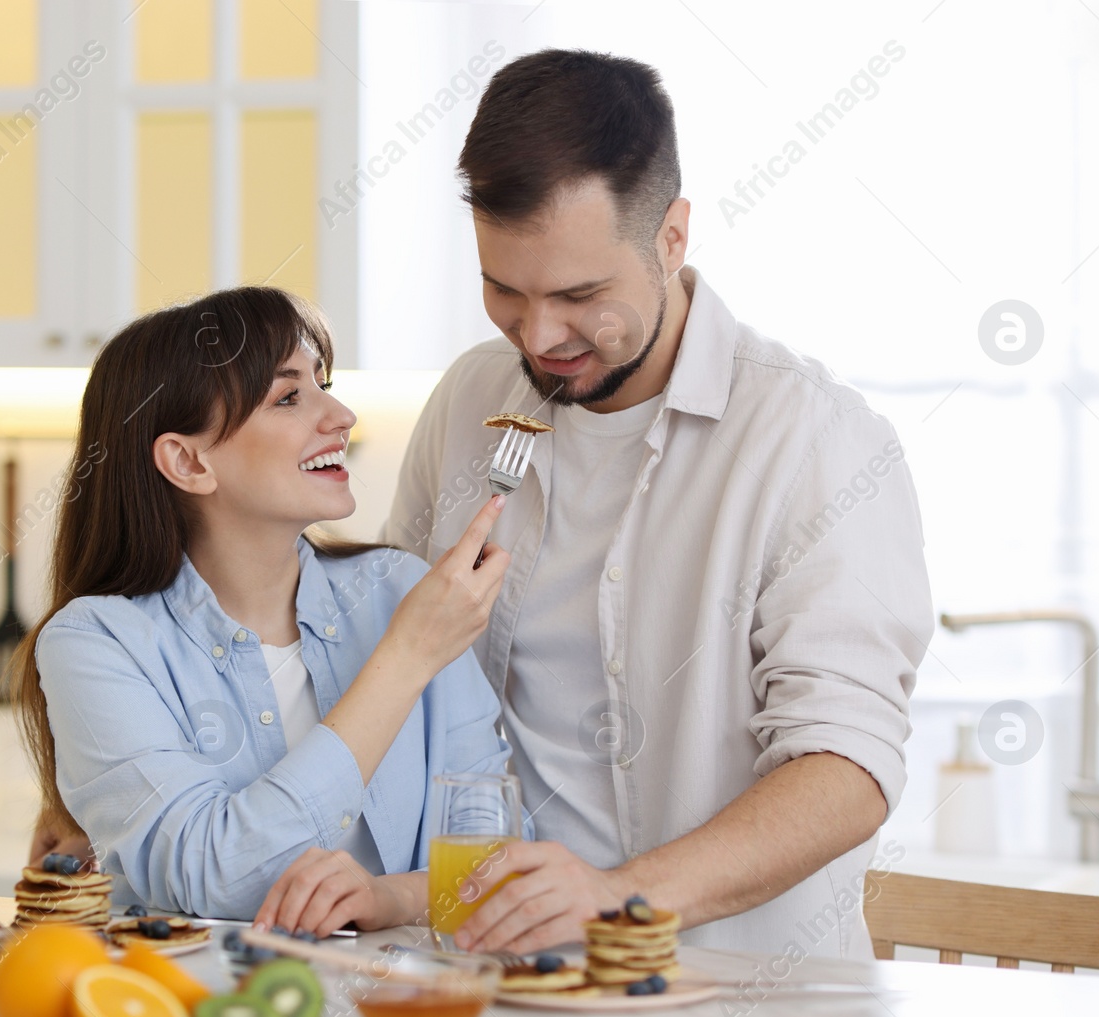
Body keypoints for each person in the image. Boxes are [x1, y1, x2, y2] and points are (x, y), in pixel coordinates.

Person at [383, 49, 933, 957]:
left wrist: (614, 898)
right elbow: (379, 659)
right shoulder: (467, 403)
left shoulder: (815, 439)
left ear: (672, 238)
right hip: (496, 986)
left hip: (742, 1011)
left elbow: (846, 767)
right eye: (504, 291)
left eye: (580, 295)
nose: (540, 335)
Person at [15, 286, 515, 929]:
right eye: (289, 397)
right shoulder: (96, 643)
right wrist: (406, 658)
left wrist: (386, 899)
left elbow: (500, 851)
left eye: (323, 383)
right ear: (188, 461)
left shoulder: (398, 589)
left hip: (411, 1014)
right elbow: (215, 877)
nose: (340, 415)